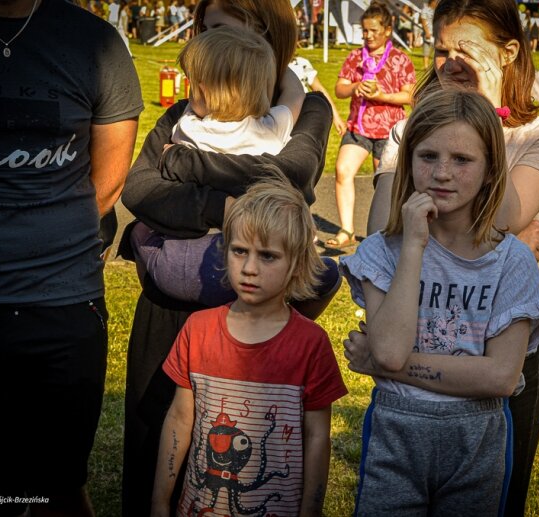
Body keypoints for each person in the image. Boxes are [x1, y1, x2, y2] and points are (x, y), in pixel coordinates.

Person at [358, 0, 539, 514]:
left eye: (467, 49)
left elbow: (499, 216)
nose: (452, 62)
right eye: (441, 50)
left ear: (509, 52)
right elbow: (383, 229)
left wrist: (486, 102)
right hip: (415, 336)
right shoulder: (410, 132)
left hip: (495, 348)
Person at [120, 0, 336, 514]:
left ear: (263, 33)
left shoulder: (307, 110)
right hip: (171, 316)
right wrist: (229, 206)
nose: (209, 40)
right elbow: (142, 188)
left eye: (223, 29)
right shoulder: (194, 112)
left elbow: (291, 177)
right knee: (160, 431)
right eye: (205, 29)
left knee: (244, 447)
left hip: (253, 315)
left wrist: (190, 166)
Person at [0, 0, 142, 515]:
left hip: (60, 302)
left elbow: (108, 181)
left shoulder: (95, 43)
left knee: (55, 483)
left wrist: (40, 243)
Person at [150, 176, 347, 517]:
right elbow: (180, 418)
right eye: (240, 251)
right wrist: (159, 501)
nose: (250, 268)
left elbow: (318, 437)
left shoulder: (311, 345)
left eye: (268, 256)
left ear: (297, 264)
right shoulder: (197, 330)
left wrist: (310, 510)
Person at [129, 25, 307, 304]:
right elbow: (296, 94)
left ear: (203, 91)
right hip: (238, 270)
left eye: (192, 83)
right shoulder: (271, 129)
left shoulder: (187, 126)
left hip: (177, 265)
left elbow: (142, 183)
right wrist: (271, 65)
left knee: (139, 231)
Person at [326, 1, 416, 249]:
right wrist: (355, 87)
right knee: (343, 170)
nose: (368, 36)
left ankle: (385, 233)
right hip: (359, 128)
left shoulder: (400, 60)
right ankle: (347, 231)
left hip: (389, 131)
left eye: (373, 31)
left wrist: (381, 95)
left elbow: (409, 96)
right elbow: (339, 89)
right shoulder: (355, 57)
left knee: (384, 183)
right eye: (364, 30)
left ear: (388, 30)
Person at [289, 54, 347, 135]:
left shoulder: (301, 63)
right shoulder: (270, 63)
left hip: (303, 119)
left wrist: (336, 118)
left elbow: (319, 89)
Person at [421, 0, 438, 69]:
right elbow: (423, 22)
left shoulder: (437, 10)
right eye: (435, 2)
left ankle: (434, 66)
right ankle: (426, 66)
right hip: (428, 33)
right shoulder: (425, 10)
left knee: (436, 50)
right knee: (426, 50)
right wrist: (427, 32)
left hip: (436, 33)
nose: (437, 3)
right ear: (432, 2)